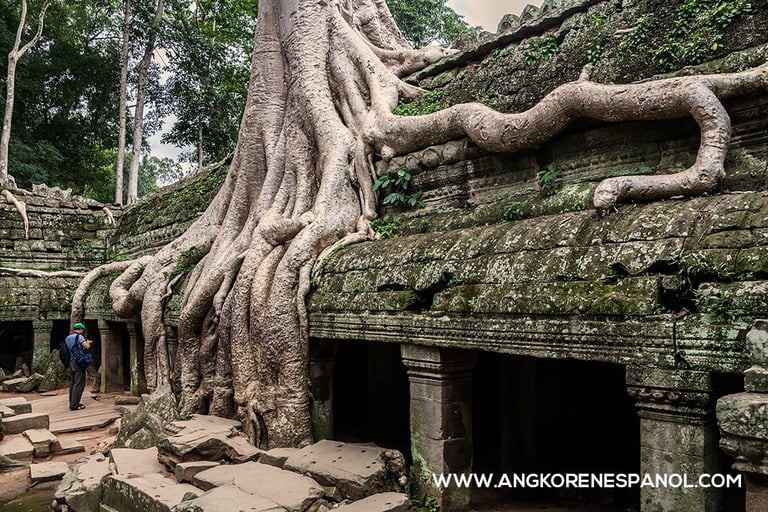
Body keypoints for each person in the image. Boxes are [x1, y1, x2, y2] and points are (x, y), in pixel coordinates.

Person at [65, 323, 93, 411]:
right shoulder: (79, 337)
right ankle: (74, 405)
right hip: (78, 362)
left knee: (73, 383)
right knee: (79, 383)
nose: (83, 331)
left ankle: (73, 402)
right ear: (80, 329)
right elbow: (87, 346)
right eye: (82, 330)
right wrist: (88, 342)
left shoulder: (68, 338)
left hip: (71, 361)